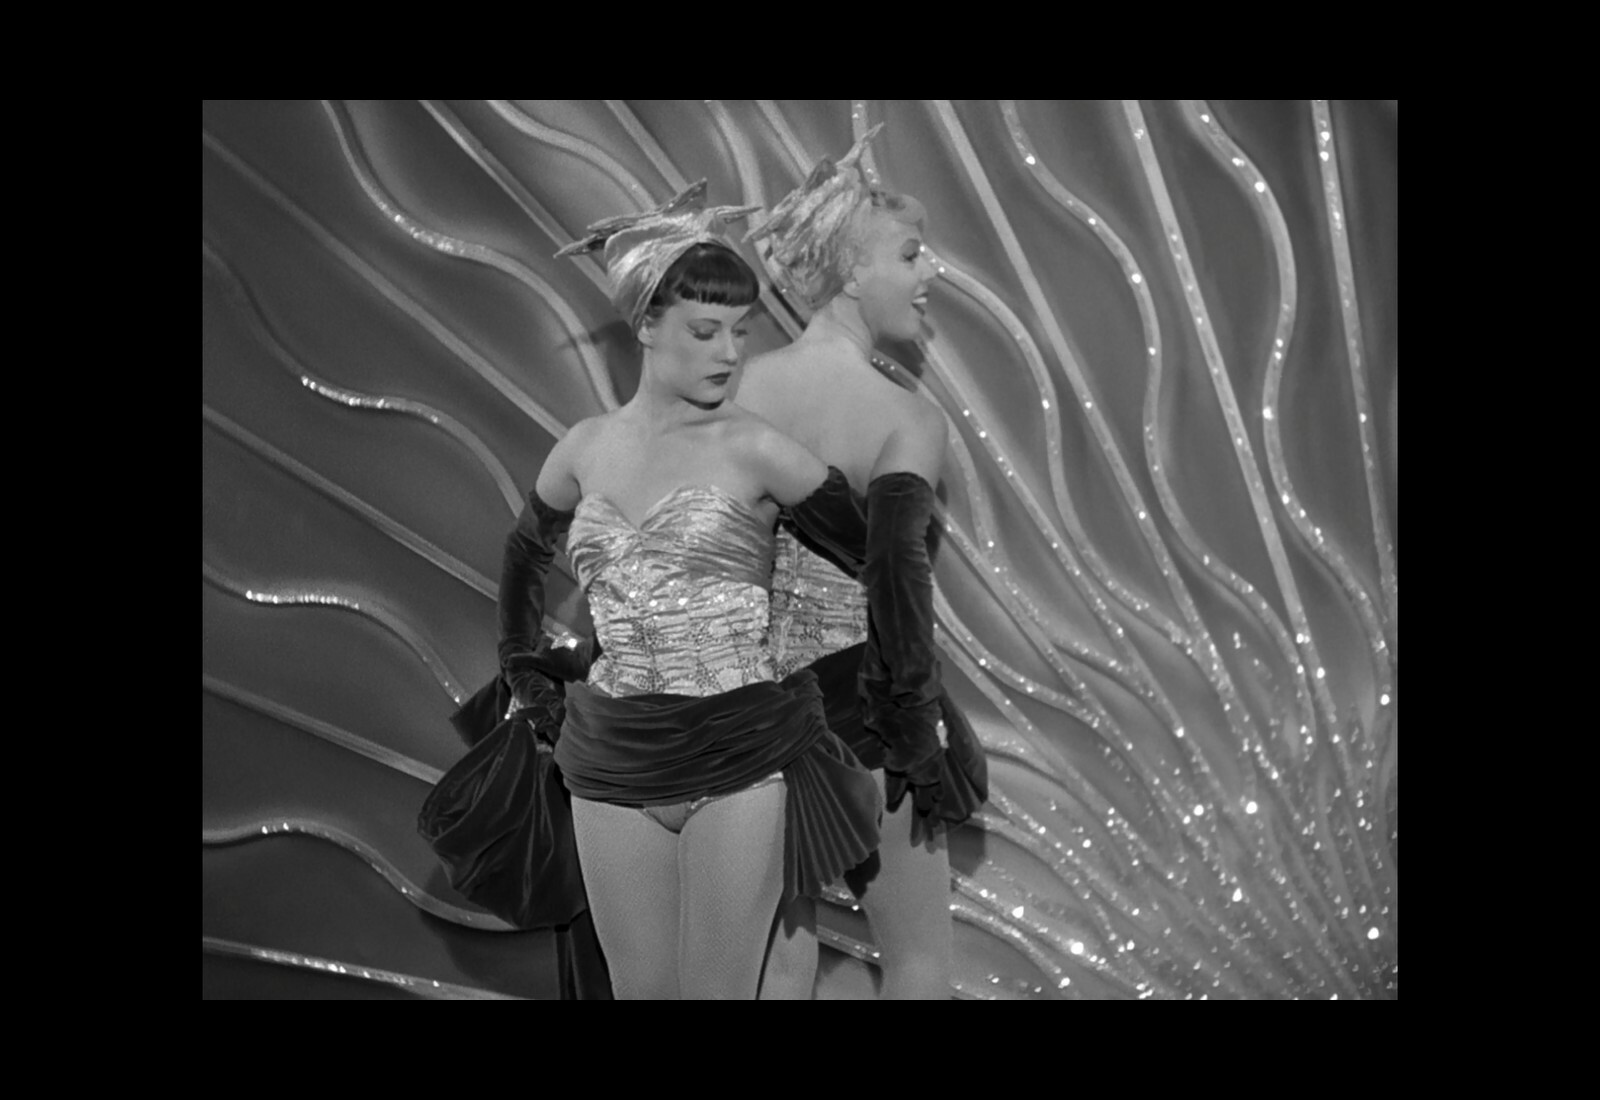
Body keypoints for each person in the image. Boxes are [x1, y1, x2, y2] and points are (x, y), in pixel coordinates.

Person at [500, 181, 882, 999]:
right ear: (646, 324)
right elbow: (524, 553)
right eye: (706, 332)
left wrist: (850, 674)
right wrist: (522, 669)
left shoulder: (760, 449)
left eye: (740, 332)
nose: (729, 353)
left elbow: (878, 558)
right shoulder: (584, 448)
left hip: (737, 754)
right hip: (610, 757)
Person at [737, 126, 989, 999]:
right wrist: (918, 739)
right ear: (850, 271)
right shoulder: (905, 417)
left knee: (777, 958)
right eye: (911, 254)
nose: (931, 274)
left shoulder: (733, 394)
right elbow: (896, 589)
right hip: (863, 711)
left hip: (743, 715)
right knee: (919, 960)